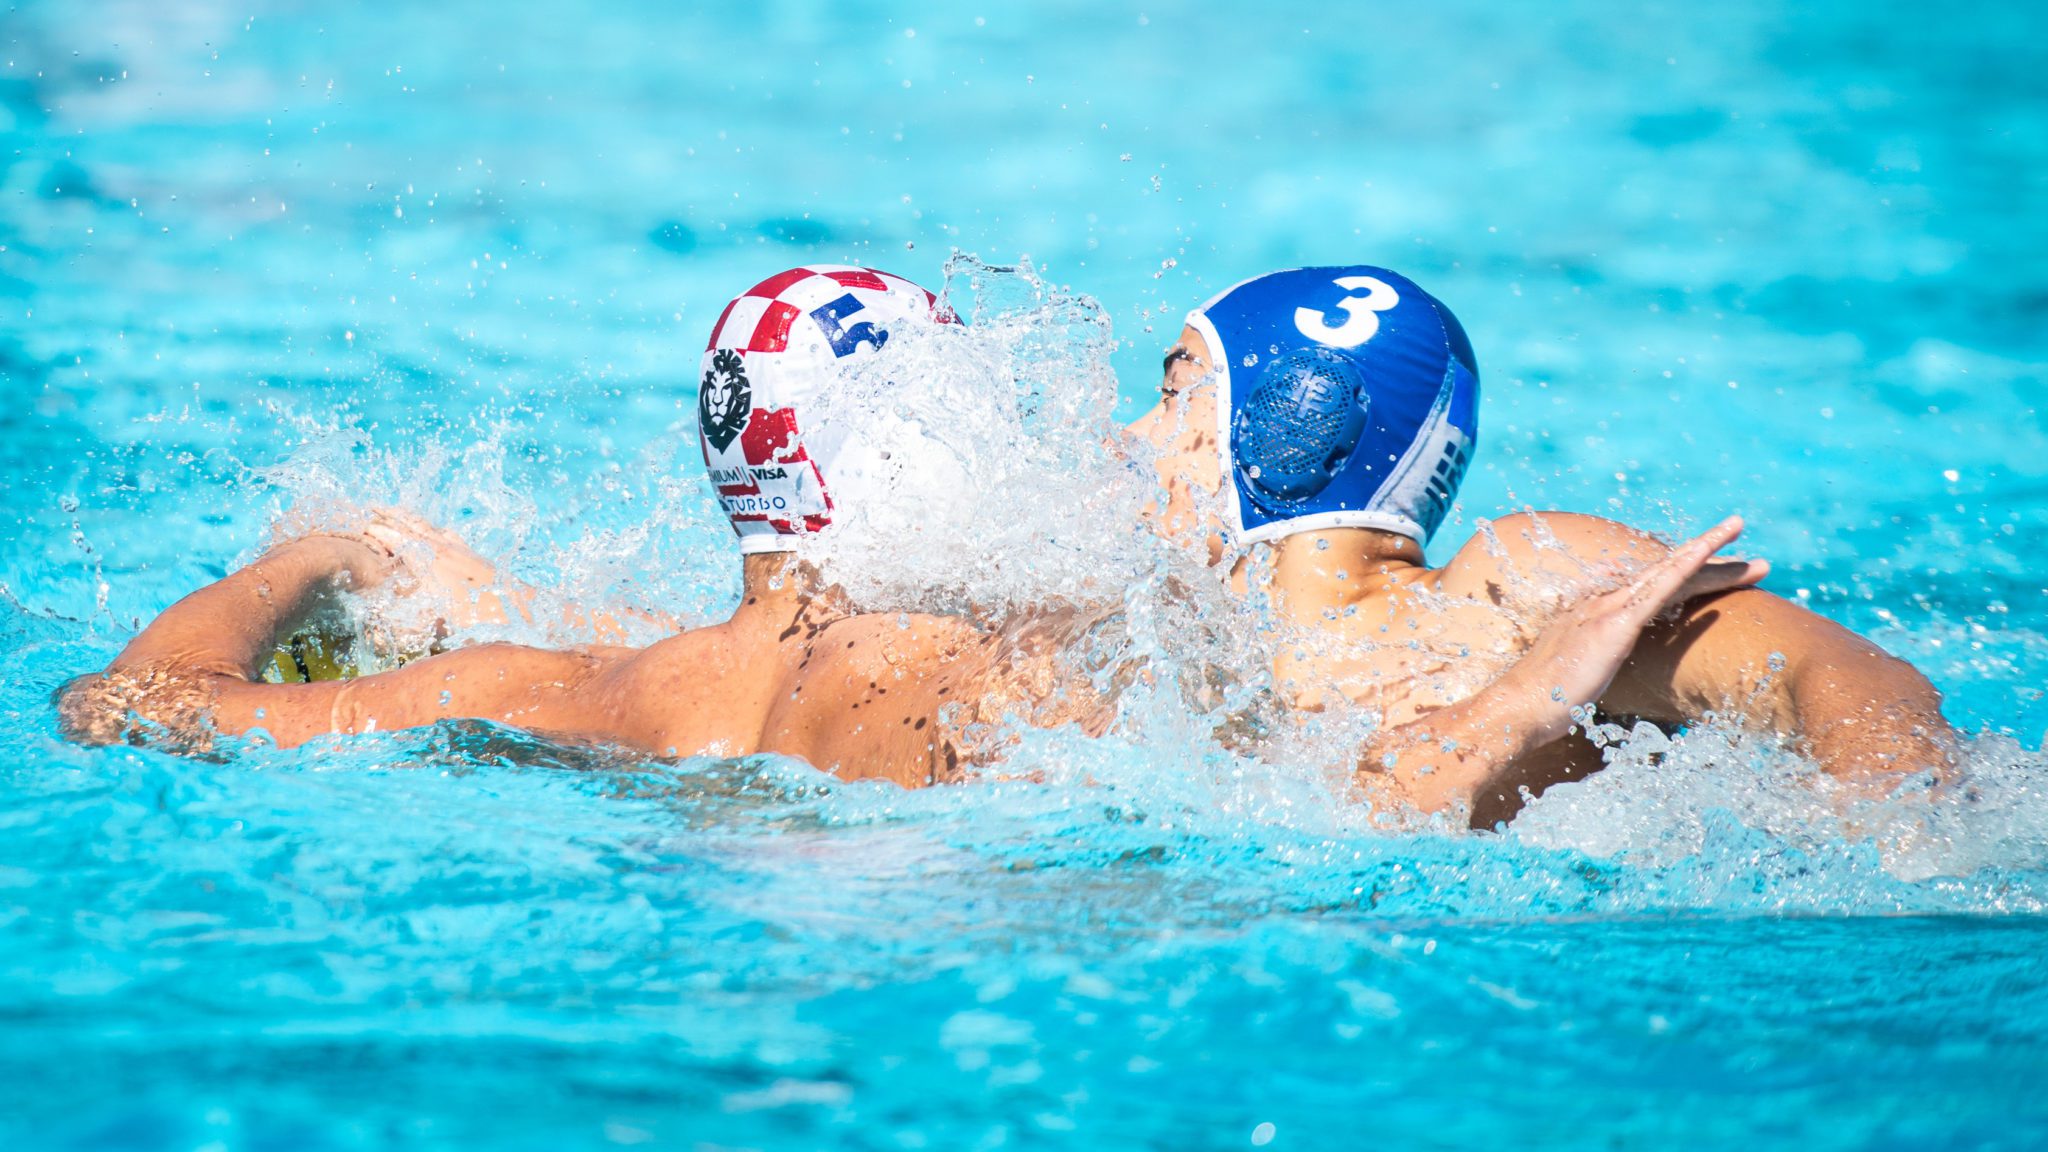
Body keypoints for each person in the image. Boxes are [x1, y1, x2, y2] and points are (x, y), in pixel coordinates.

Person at [59, 265, 1093, 785]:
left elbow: (132, 703)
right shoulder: (1012, 678)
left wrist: (321, 559)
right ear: (914, 462)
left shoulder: (592, 691)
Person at [1126, 265, 1956, 827]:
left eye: (1171, 395)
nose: (1128, 437)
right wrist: (1523, 700)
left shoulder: (1511, 590)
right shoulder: (1148, 651)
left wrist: (1897, 843)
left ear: (1295, 428)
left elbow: (1860, 680)